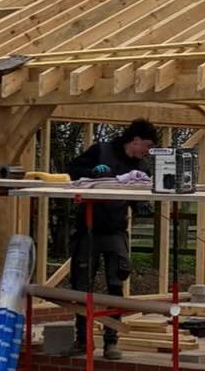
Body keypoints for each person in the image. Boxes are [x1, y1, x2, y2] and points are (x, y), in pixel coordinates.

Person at [65, 119, 159, 357]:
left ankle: (111, 341)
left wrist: (142, 207)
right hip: (88, 229)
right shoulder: (101, 151)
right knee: (81, 287)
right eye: (146, 145)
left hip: (116, 230)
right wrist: (91, 172)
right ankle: (82, 339)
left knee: (115, 286)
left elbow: (137, 196)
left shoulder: (142, 167)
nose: (146, 151)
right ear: (135, 140)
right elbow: (71, 170)